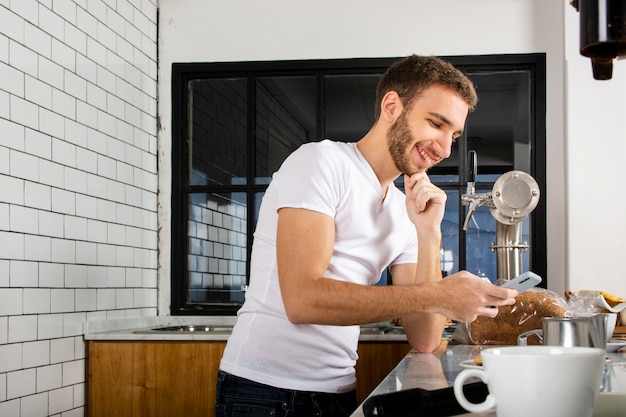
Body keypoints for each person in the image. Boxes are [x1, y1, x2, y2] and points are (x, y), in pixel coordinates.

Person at [215, 55, 518, 417]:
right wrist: (439, 294)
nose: (444, 148)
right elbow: (302, 300)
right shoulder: (321, 162)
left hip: (338, 390)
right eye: (436, 124)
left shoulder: (406, 210)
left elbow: (424, 337)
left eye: (453, 135)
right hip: (263, 392)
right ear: (392, 106)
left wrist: (429, 234)